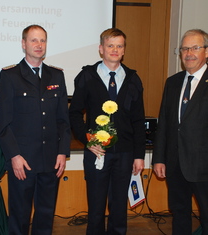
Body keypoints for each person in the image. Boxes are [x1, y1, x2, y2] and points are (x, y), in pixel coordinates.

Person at [0, 24, 71, 235]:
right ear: (23, 44)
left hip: (50, 160)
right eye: (33, 40)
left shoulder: (56, 76)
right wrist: (14, 156)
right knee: (19, 216)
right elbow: (2, 123)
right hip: (23, 161)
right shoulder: (10, 76)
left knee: (45, 215)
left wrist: (62, 152)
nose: (39, 45)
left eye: (42, 40)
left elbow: (63, 121)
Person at [69, 28, 146, 235]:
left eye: (119, 46)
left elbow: (139, 121)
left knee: (119, 207)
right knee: (95, 208)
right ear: (101, 49)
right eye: (110, 45)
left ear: (124, 50)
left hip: (124, 153)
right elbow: (74, 113)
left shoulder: (133, 79)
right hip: (97, 153)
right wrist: (88, 140)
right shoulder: (87, 76)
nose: (115, 49)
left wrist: (139, 155)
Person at [153, 29, 208, 235]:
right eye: (185, 48)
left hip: (203, 167)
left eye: (195, 48)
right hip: (175, 165)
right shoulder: (173, 82)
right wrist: (159, 159)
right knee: (179, 213)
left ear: (207, 51)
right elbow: (165, 124)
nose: (189, 53)